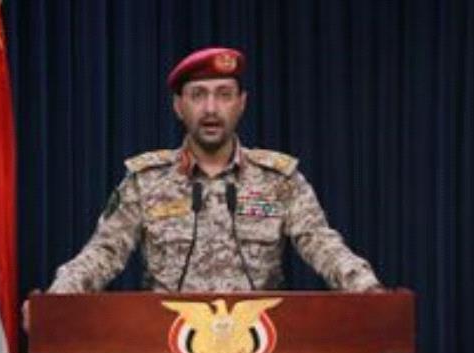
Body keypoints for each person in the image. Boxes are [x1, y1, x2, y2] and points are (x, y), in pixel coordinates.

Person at [22, 47, 384, 331]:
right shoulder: (146, 180)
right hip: (164, 345)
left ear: (242, 103)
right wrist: (57, 299)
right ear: (178, 106)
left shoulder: (279, 180)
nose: (211, 108)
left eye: (224, 94)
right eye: (198, 95)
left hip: (261, 346)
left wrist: (368, 290)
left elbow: (322, 244)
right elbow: (104, 252)